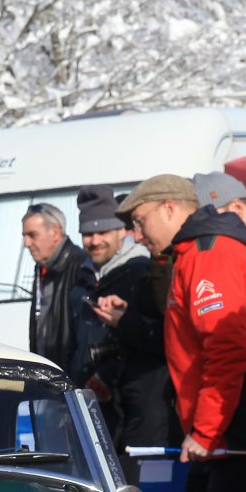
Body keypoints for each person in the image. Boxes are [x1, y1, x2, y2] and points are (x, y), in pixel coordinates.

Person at [122, 172, 246, 492]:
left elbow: (227, 350)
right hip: (221, 435)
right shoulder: (195, 252)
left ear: (169, 208)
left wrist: (206, 432)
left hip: (229, 437)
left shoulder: (208, 254)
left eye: (140, 222)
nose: (137, 235)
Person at [80, 185, 173, 472]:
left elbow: (166, 337)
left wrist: (123, 322)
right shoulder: (85, 274)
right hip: (115, 408)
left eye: (103, 232)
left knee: (143, 485)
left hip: (147, 409)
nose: (95, 240)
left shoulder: (143, 271)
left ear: (122, 232)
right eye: (88, 233)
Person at [20, 202, 98, 384]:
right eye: (24, 236)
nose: (26, 244)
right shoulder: (42, 268)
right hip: (49, 380)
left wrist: (75, 382)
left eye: (32, 235)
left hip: (72, 382)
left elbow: (87, 335)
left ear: (55, 232)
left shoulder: (81, 266)